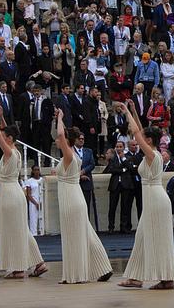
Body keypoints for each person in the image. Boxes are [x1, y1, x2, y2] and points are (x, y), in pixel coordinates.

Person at [118, 100, 174, 289]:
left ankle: (166, 278)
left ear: (149, 141)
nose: (139, 140)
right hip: (153, 198)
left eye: (144, 138)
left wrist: (127, 111)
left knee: (158, 238)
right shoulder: (151, 154)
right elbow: (141, 130)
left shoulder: (153, 155)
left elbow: (137, 133)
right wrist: (135, 111)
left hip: (156, 199)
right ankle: (136, 277)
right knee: (142, 237)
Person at [54, 109, 113, 284]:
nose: (57, 140)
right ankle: (103, 267)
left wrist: (59, 118)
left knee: (74, 235)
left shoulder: (69, 155)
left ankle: (76, 273)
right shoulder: (74, 154)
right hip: (74, 195)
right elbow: (64, 135)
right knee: (86, 233)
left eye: (61, 139)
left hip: (70, 198)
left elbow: (60, 134)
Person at [0, 109, 47, 279]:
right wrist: (1, 118)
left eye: (4, 135)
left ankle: (19, 268)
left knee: (14, 231)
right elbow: (4, 132)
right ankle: (38, 262)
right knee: (21, 230)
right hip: (12, 192)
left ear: (8, 139)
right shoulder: (14, 150)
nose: (0, 136)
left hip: (10, 194)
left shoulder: (9, 152)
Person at [104, 140, 135, 233]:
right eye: (117, 147)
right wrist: (123, 170)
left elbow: (131, 168)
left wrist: (124, 160)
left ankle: (124, 227)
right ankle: (111, 227)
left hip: (126, 184)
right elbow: (111, 169)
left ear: (123, 148)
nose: (119, 148)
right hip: (115, 184)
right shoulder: (112, 159)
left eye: (120, 147)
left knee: (125, 206)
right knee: (112, 206)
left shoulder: (128, 158)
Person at [23, 165, 44, 236]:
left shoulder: (43, 180)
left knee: (43, 220)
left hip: (42, 202)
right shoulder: (29, 181)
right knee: (33, 220)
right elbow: (28, 195)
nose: (37, 171)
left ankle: (42, 233)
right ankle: (33, 234)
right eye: (35, 170)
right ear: (32, 171)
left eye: (38, 170)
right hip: (33, 202)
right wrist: (36, 203)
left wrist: (41, 203)